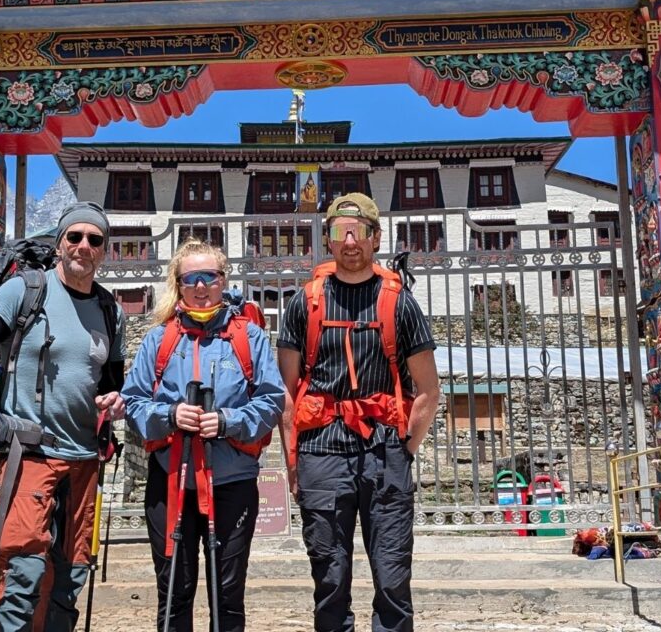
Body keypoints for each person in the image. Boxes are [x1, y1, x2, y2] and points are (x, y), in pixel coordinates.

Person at [0, 202, 126, 632]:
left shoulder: (111, 312)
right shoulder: (25, 290)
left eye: (94, 240)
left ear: (104, 251)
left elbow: (113, 384)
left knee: (72, 571)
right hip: (32, 449)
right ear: (59, 244)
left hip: (84, 457)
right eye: (74, 237)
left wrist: (116, 402)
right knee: (24, 567)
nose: (83, 246)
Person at [277, 193, 440, 632]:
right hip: (321, 451)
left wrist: (404, 450)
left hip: (384, 452)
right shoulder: (303, 304)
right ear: (326, 240)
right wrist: (293, 462)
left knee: (392, 578)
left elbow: (428, 391)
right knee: (329, 578)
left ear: (376, 238)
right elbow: (287, 395)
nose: (349, 241)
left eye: (359, 231)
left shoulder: (400, 303)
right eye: (338, 231)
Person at [122, 239, 285, 632]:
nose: (200, 286)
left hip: (231, 481)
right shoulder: (158, 341)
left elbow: (272, 399)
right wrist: (170, 415)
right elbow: (134, 401)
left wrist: (228, 421)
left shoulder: (250, 339)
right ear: (178, 284)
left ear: (223, 281)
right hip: (171, 480)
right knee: (174, 589)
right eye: (190, 278)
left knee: (227, 594)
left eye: (209, 277)